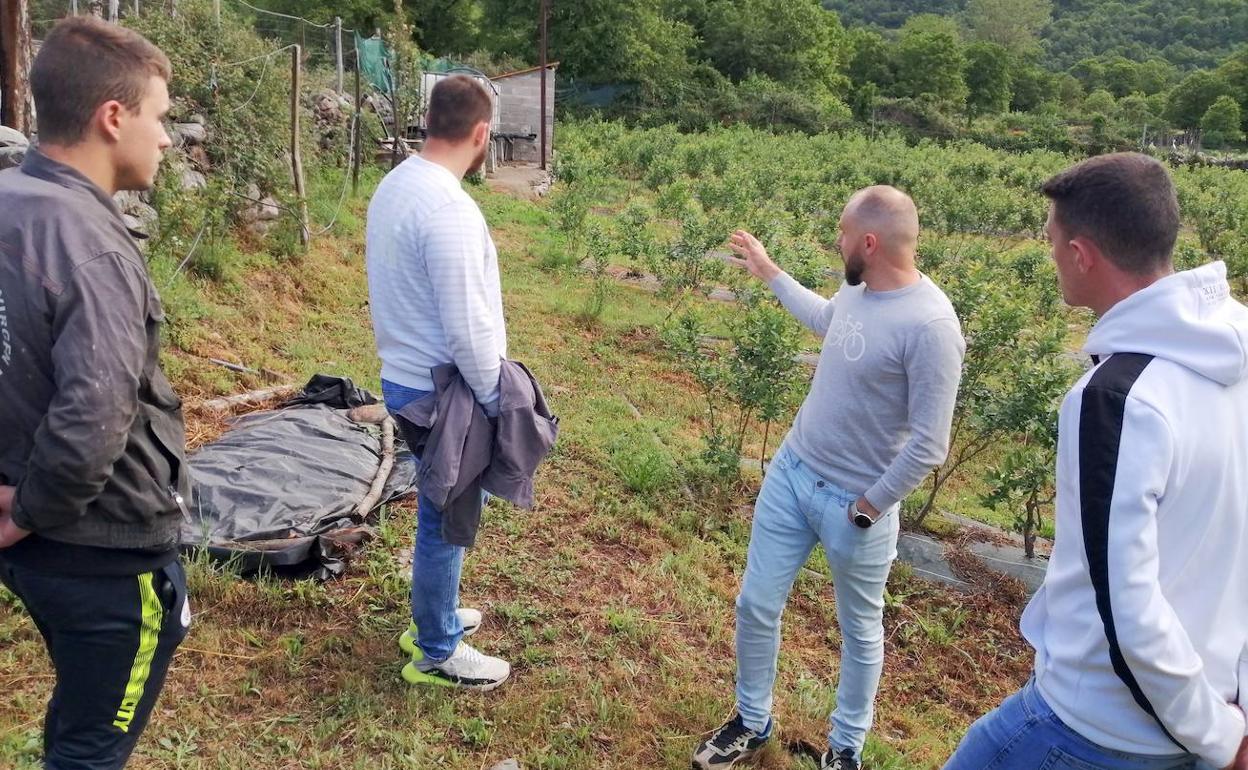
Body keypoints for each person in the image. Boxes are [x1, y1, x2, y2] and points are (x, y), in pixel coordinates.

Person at [944, 153, 1248, 770]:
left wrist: (1221, 739)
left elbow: (1127, 606)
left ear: (1082, 254)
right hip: (1207, 706)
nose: (1049, 253)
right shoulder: (1234, 348)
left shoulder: (1117, 398)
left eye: (1052, 240)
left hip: (1097, 728)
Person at [693, 186, 965, 770]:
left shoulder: (931, 325)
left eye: (843, 234)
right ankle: (750, 720)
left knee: (859, 630)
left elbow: (929, 442)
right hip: (793, 473)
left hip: (856, 505)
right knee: (756, 603)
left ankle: (844, 750)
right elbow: (826, 319)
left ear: (869, 242)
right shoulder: (859, 289)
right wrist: (770, 273)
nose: (837, 242)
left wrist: (871, 505)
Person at [0, 16, 191, 770]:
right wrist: (30, 513)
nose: (168, 138)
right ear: (114, 117)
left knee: (79, 706)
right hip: (104, 551)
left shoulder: (11, 200)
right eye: (160, 117)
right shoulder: (91, 246)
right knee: (91, 747)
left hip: (36, 541)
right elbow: (94, 416)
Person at [365, 74, 510, 691]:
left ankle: (438, 615)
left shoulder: (397, 184)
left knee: (438, 510)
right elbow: (468, 328)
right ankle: (436, 649)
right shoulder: (449, 208)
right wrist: (499, 399)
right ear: (481, 134)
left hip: (404, 377)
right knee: (444, 517)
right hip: (441, 389)